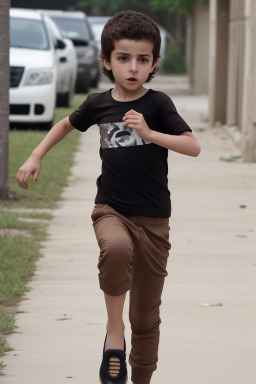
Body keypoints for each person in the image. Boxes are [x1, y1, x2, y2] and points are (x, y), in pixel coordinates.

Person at [16, 10, 200, 384]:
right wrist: (36, 155)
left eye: (143, 59)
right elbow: (66, 124)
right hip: (111, 210)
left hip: (154, 221)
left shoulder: (159, 104)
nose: (133, 67)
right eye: (123, 58)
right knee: (115, 249)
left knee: (146, 317)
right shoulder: (99, 103)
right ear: (106, 60)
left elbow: (192, 146)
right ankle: (113, 330)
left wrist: (151, 134)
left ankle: (141, 377)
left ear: (153, 64)